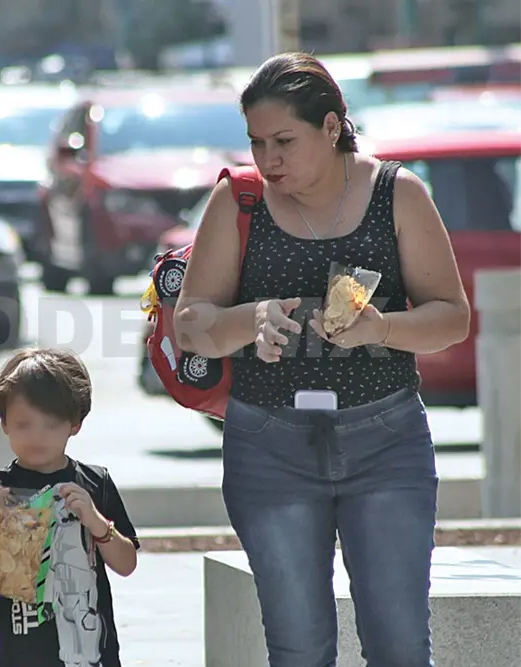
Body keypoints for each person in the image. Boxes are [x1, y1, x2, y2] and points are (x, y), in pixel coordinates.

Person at [173, 53, 470, 666]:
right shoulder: (240, 200)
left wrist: (381, 327)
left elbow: (451, 317)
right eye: (257, 142)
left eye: (284, 140)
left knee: (399, 646)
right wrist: (246, 320)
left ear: (332, 127)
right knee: (299, 649)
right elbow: (191, 325)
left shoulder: (398, 193)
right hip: (269, 443)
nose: (268, 159)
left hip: (385, 438)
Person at [0, 348, 139, 667]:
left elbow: (127, 564)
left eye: (50, 425)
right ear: (4, 423)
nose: (37, 436)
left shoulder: (94, 482)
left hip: (92, 650)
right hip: (23, 650)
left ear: (74, 424)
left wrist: (96, 522)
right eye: (24, 424)